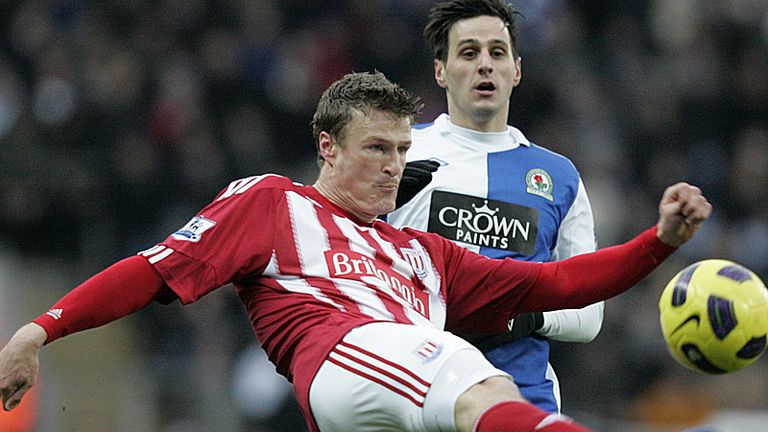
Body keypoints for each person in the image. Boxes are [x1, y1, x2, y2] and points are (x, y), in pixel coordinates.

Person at [0, 71, 711, 432]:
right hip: (343, 356)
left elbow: (559, 283)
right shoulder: (274, 203)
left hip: (394, 400)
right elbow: (153, 270)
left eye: (402, 149)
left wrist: (659, 243)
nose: (394, 165)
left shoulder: (426, 253)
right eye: (376, 147)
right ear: (328, 147)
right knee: (480, 382)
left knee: (471, 388)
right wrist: (39, 331)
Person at [388, 0, 603, 413]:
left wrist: (524, 316)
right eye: (469, 53)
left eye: (497, 52)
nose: (484, 64)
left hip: (523, 399)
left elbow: (589, 315)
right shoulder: (399, 152)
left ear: (516, 70)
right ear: (440, 71)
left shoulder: (559, 178)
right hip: (413, 395)